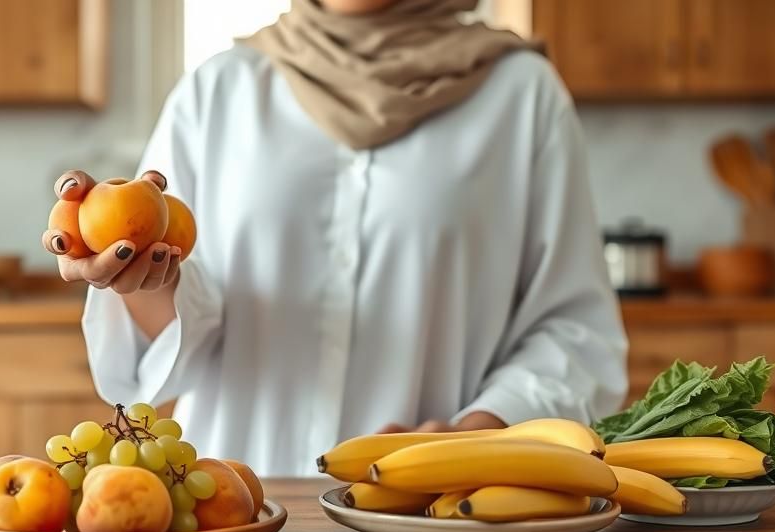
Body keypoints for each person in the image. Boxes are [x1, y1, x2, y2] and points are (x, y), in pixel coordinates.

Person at [42, 0, 628, 476]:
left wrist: (476, 433)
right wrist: (141, 278)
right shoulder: (217, 91)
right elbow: (185, 318)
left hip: (434, 514)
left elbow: (574, 330)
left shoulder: (523, 97)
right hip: (238, 511)